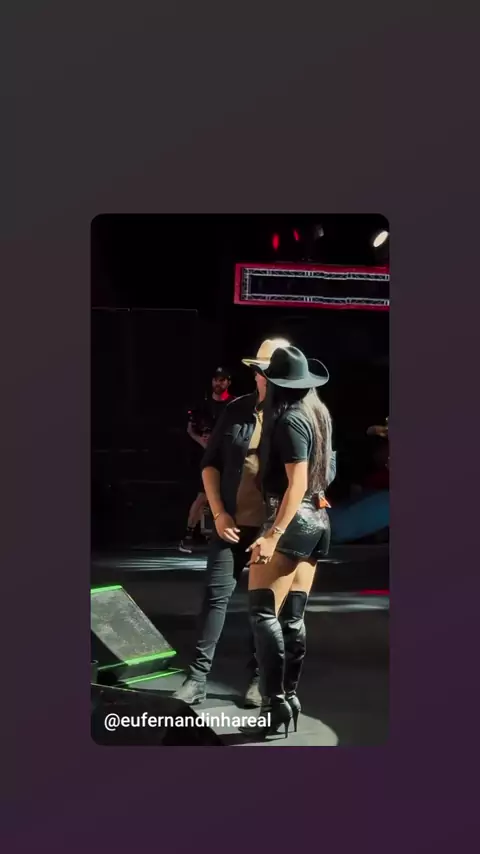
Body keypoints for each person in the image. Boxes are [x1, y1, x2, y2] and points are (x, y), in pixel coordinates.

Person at [173, 339, 290, 707]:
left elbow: (316, 469)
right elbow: (210, 463)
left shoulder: (294, 414)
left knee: (264, 608)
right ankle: (197, 678)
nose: (262, 377)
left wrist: (278, 530)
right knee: (214, 598)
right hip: (232, 524)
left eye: (269, 371)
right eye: (260, 370)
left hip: (269, 530)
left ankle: (258, 678)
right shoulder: (236, 410)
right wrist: (219, 513)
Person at [239, 345, 334, 739]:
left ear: (276, 383)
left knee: (263, 614)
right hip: (316, 519)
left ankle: (274, 702)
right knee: (291, 618)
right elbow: (326, 473)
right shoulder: (316, 413)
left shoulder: (290, 419)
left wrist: (272, 535)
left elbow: (296, 484)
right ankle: (287, 699)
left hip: (291, 521)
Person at [178, 367, 234, 553]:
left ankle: (227, 536)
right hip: (208, 458)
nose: (219, 383)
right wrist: (202, 441)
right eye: (216, 380)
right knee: (203, 496)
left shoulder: (234, 405)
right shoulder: (202, 406)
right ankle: (188, 535)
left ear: (228, 382)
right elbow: (190, 429)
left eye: (222, 380)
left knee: (230, 497)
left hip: (229, 458)